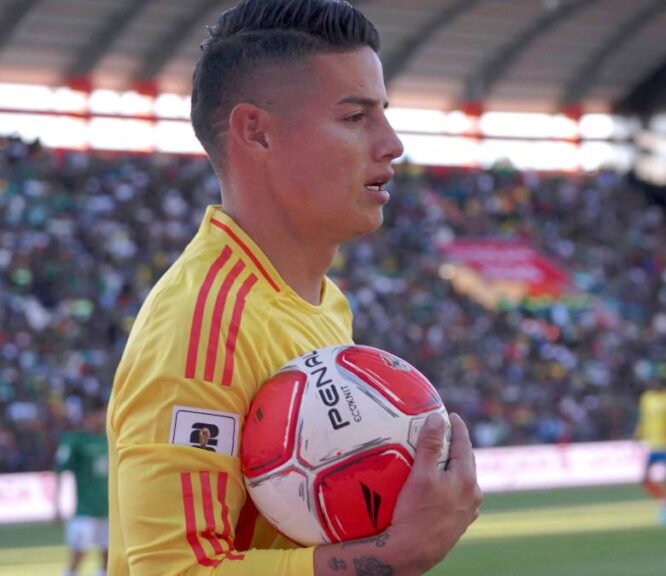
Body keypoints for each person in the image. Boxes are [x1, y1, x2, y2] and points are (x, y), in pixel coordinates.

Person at [106, 1, 481, 574]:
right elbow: (173, 569)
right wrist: (394, 556)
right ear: (256, 132)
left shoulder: (325, 302)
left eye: (382, 112)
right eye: (355, 117)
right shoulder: (206, 323)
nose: (392, 143)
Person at [55, 406, 109, 576]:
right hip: (84, 511)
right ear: (89, 416)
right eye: (101, 414)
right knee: (78, 556)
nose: (103, 418)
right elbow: (60, 470)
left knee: (109, 559)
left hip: (109, 510)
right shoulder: (76, 440)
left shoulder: (110, 439)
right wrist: (56, 505)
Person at [635, 379, 666, 526]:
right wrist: (638, 434)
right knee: (644, 479)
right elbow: (644, 419)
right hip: (652, 444)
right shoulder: (646, 398)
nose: (653, 384)